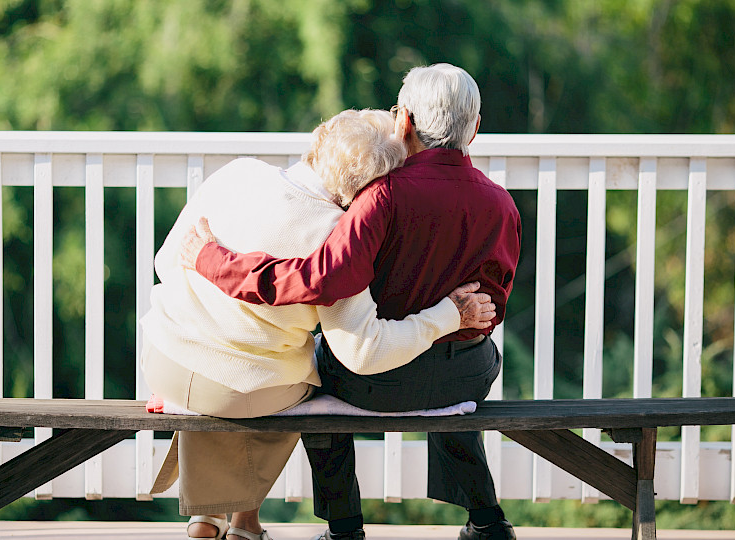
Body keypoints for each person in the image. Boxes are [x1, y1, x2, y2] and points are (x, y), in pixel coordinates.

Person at [181, 64, 522, 540]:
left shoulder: (380, 197)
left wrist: (214, 261)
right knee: (461, 379)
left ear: (403, 121)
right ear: (476, 129)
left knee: (318, 371)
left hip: (373, 383)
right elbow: (491, 304)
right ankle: (486, 521)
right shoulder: (502, 204)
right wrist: (453, 319)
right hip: (461, 374)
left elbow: (318, 279)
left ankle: (344, 528)